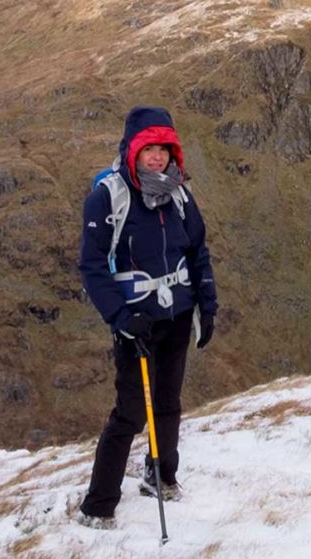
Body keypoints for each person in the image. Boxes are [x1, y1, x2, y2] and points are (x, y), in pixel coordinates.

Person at [76, 105, 218, 528]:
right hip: (135, 322)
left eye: (165, 149)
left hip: (177, 313)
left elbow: (197, 251)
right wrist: (120, 317)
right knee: (132, 412)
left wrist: (206, 306)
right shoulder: (109, 196)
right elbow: (92, 264)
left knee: (169, 402)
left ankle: (161, 475)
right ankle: (98, 505)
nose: (157, 157)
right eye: (149, 148)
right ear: (133, 150)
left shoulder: (178, 193)